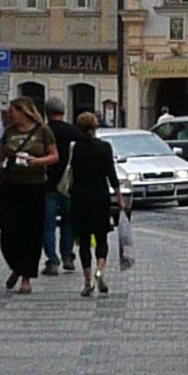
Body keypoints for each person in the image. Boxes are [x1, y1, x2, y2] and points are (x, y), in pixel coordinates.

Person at [0, 99, 60, 292]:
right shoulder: (9, 133)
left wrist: (36, 161)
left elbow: (54, 156)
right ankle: (16, 266)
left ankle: (26, 277)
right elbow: (0, 157)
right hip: (11, 186)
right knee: (8, 232)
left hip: (35, 187)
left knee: (31, 233)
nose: (8, 115)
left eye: (12, 112)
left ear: (24, 112)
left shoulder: (43, 131)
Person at [65, 124, 125, 295]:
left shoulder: (75, 148)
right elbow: (111, 174)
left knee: (84, 241)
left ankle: (88, 280)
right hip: (100, 196)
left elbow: (71, 173)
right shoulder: (104, 147)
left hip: (79, 197)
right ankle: (100, 270)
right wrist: (119, 196)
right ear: (95, 127)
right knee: (101, 237)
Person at [40, 96, 78, 275]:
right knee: (68, 222)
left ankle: (52, 261)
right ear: (63, 112)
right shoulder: (73, 131)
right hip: (68, 184)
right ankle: (68, 256)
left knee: (47, 224)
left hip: (46, 183)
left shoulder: (42, 131)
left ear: (46, 113)